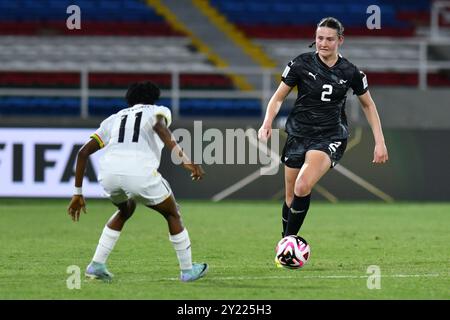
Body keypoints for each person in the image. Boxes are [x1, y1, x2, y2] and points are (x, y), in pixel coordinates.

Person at [258, 17, 389, 261]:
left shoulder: (351, 72)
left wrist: (379, 142)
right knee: (289, 197)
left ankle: (287, 249)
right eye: (320, 38)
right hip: (298, 133)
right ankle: (286, 244)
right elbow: (277, 98)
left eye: (329, 39)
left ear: (340, 40)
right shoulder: (300, 64)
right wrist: (267, 123)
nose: (323, 43)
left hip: (329, 136)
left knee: (302, 185)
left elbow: (369, 106)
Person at [67, 81, 208, 282]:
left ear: (130, 99)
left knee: (125, 209)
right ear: (154, 97)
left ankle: (96, 265)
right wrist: (185, 160)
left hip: (108, 174)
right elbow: (160, 127)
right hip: (139, 173)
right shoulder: (159, 111)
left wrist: (77, 193)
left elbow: (82, 153)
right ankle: (187, 270)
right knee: (172, 213)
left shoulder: (113, 119)